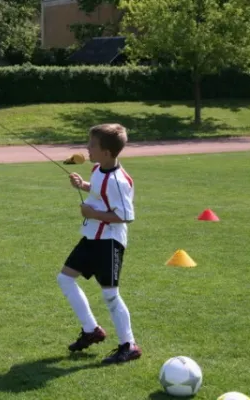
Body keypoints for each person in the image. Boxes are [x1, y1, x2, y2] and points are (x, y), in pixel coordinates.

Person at [58, 123, 141, 365]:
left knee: (110, 296)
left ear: (106, 152)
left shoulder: (119, 181)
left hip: (110, 243)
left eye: (92, 145)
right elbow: (98, 191)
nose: (87, 147)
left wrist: (93, 214)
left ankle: (129, 345)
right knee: (64, 278)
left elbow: (126, 216)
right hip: (92, 237)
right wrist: (82, 185)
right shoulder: (97, 169)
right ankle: (91, 330)